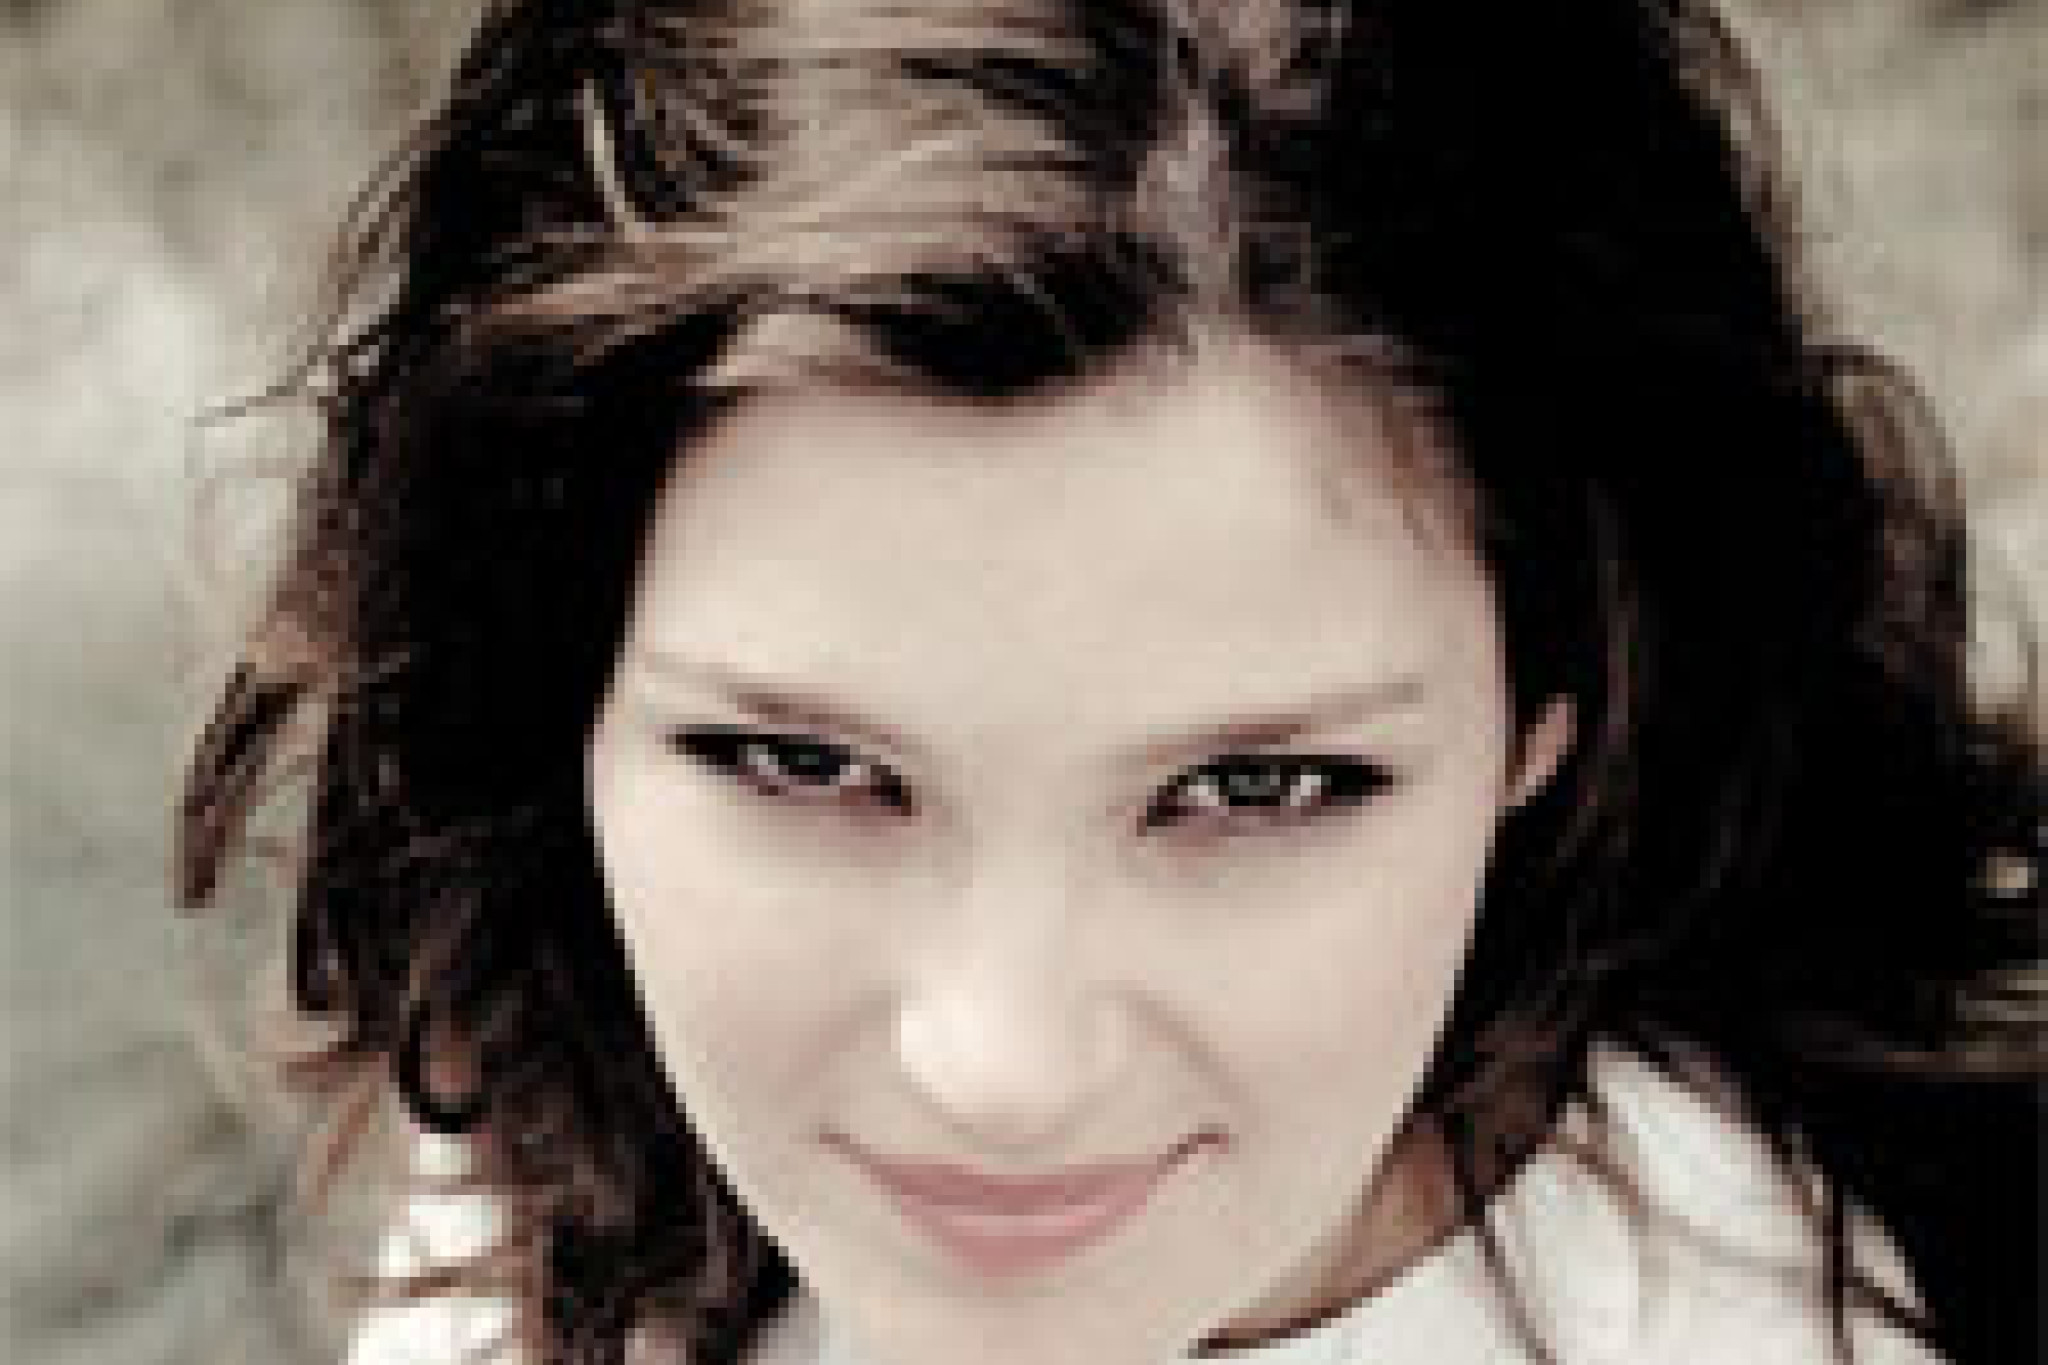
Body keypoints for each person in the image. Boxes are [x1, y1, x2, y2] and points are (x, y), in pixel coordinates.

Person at [174, 2, 2044, 1363]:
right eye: (800, 764)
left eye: (1256, 789)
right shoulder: (577, 1086)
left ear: (1559, 708)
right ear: (550, 700)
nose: (999, 1070)